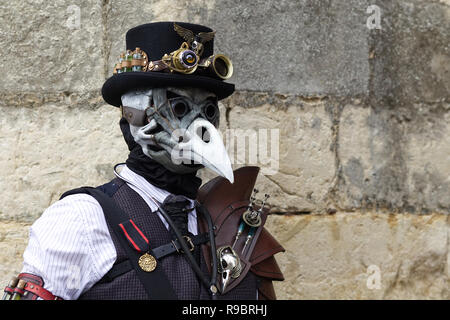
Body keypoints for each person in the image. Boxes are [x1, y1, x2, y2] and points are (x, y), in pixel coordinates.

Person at [2, 21, 284, 300]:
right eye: (179, 107)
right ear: (135, 118)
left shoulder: (230, 225)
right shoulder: (81, 220)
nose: (201, 125)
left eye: (208, 110)